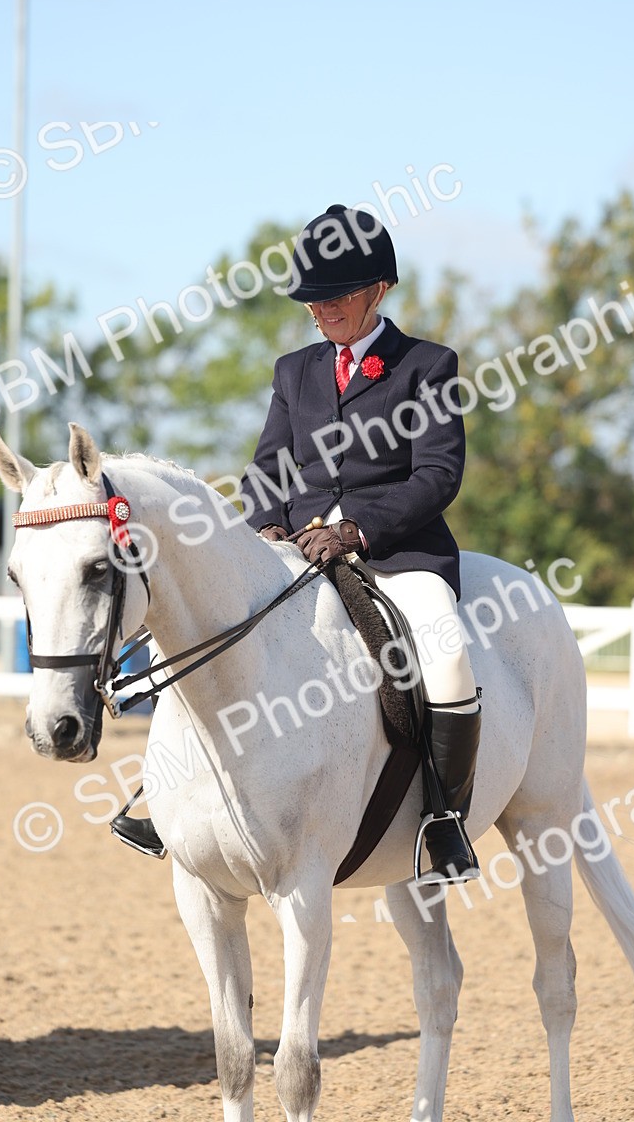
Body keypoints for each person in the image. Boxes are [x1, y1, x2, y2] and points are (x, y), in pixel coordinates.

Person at [113, 203, 481, 884]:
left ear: (379, 289)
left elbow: (438, 475)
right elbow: (269, 469)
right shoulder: (295, 371)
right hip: (300, 551)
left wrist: (358, 529)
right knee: (208, 633)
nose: (322, 311)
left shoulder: (426, 366)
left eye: (335, 296)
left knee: (449, 656)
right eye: (312, 300)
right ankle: (161, 801)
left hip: (397, 554)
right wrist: (265, 527)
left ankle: (444, 819)